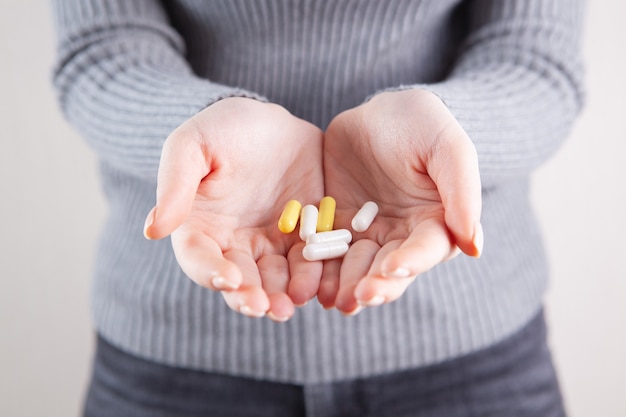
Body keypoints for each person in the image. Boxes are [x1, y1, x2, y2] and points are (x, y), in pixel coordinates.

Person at [51, 0, 585, 416]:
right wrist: (195, 127)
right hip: (173, 351)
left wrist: (447, 128)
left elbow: (535, 59)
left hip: (472, 349)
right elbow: (100, 50)